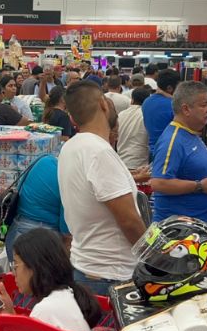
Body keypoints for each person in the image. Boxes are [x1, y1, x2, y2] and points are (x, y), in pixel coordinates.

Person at [58, 81, 146, 295]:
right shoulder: (99, 152)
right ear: (104, 105)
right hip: (111, 275)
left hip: (87, 265)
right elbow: (128, 220)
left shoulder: (71, 147)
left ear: (71, 118)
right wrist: (154, 259)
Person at [150, 81, 207, 230]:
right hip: (181, 239)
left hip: (198, 236)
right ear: (186, 109)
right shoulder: (173, 140)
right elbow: (158, 183)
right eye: (204, 105)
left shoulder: (191, 135)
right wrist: (199, 186)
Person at [4, 155, 70, 262]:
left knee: (18, 275)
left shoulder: (44, 159)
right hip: (40, 238)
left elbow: (20, 186)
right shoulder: (66, 175)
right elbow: (66, 220)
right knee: (40, 277)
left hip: (16, 227)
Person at [142, 68, 181, 154]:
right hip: (169, 151)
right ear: (169, 88)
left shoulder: (147, 101)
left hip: (152, 150)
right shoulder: (173, 105)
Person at [116, 87, 152, 174]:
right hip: (140, 166)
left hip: (121, 163)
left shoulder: (121, 114)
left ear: (132, 100)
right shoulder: (147, 115)